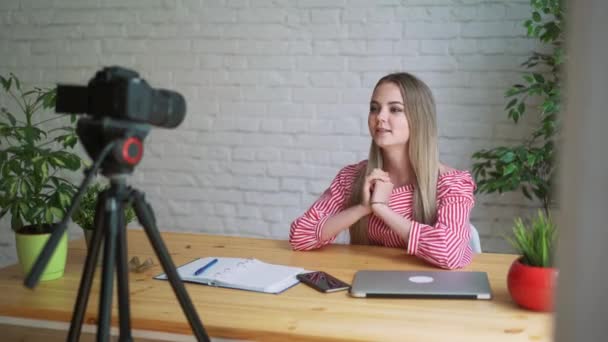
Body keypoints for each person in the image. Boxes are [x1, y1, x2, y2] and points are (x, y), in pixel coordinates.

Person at [289, 72, 476, 270]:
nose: (380, 117)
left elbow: (451, 253)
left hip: (428, 289)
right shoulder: (352, 178)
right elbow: (300, 236)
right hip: (366, 282)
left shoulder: (452, 183)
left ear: (419, 118)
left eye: (395, 109)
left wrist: (383, 210)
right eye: (374, 108)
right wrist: (362, 208)